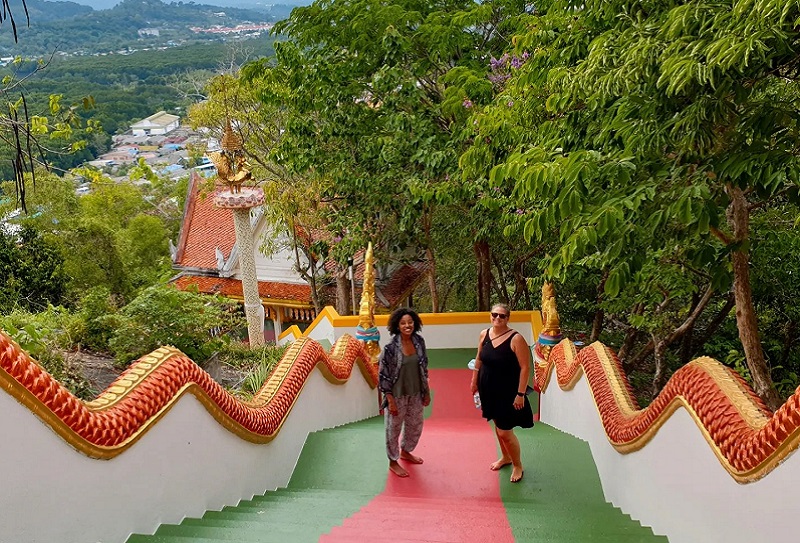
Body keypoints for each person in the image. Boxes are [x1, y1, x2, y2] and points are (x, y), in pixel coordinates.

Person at [470, 303, 533, 483]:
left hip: (508, 391)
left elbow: (525, 367)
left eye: (502, 316)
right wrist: (474, 380)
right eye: (494, 314)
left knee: (505, 432)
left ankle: (517, 465)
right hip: (488, 388)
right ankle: (505, 457)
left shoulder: (516, 339)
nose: (497, 318)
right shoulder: (484, 334)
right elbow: (479, 358)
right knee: (497, 425)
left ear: (507, 318)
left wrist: (520, 394)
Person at [378, 307, 431, 477]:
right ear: (397, 326)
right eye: (403, 323)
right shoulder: (390, 348)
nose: (407, 325)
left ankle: (406, 451)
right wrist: (390, 400)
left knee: (414, 425)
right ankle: (393, 461)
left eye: (410, 322)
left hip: (416, 393)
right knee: (393, 429)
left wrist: (426, 392)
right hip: (397, 395)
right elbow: (383, 376)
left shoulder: (419, 342)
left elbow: (424, 368)